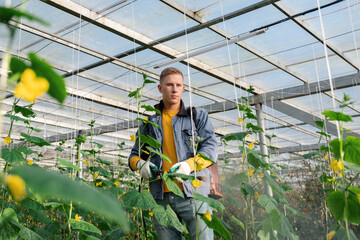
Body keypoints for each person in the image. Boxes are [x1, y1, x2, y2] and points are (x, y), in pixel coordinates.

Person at [128, 67, 218, 239]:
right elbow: (134, 154)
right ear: (160, 88)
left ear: (183, 88)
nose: (174, 89)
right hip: (161, 198)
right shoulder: (150, 123)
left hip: (193, 194)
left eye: (178, 85)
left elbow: (211, 148)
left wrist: (189, 165)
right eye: (169, 85)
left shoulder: (196, 117)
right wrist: (140, 164)